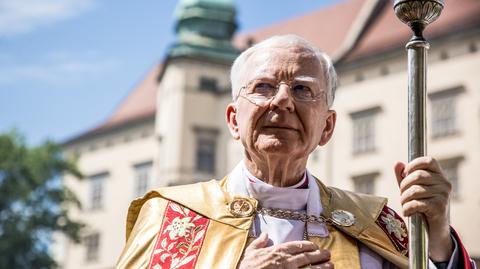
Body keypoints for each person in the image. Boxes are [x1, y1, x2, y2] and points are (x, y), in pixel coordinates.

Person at [116, 35, 475, 269]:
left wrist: (439, 238)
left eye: (303, 89)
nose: (283, 100)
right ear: (233, 121)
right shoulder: (173, 216)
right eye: (264, 86)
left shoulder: (376, 223)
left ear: (328, 128)